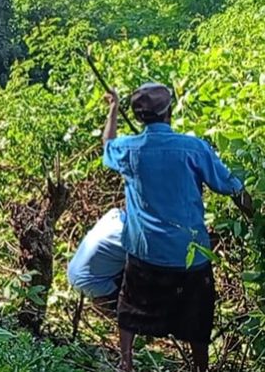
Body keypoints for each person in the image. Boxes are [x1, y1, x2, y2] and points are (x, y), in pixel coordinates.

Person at [102, 83, 255, 372]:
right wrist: (256, 218)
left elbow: (107, 145)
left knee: (130, 303)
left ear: (138, 118)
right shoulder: (193, 148)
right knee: (197, 318)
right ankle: (200, 369)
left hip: (144, 252)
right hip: (189, 254)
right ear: (168, 111)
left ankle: (126, 361)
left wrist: (112, 108)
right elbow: (232, 188)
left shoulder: (127, 149)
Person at [67, 208, 126, 314]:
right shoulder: (129, 238)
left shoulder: (114, 214)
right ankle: (112, 308)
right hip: (90, 283)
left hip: (73, 271)